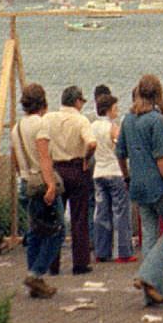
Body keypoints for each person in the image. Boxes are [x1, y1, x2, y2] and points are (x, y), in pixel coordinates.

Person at [116, 74, 163, 307]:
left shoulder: (127, 119)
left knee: (149, 235)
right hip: (158, 186)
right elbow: (161, 158)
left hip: (137, 184)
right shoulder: (156, 120)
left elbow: (120, 153)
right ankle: (147, 275)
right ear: (157, 94)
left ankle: (155, 293)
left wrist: (126, 176)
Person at [12, 83, 61, 299]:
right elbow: (44, 157)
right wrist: (50, 184)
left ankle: (35, 280)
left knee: (35, 231)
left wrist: (21, 175)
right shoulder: (41, 125)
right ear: (43, 102)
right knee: (57, 230)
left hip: (25, 181)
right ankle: (36, 273)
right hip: (41, 182)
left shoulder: (17, 127)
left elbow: (14, 156)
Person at [46, 85, 97, 275]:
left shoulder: (49, 118)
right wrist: (86, 157)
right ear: (77, 101)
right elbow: (91, 142)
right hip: (76, 167)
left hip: (57, 168)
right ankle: (80, 263)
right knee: (79, 217)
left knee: (55, 217)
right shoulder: (80, 120)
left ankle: (53, 262)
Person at [91, 92, 134, 263]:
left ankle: (102, 251)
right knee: (120, 211)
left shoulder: (92, 126)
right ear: (109, 110)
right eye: (115, 108)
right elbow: (120, 147)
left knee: (101, 212)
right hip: (114, 171)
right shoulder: (113, 127)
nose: (117, 111)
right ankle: (123, 251)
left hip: (99, 171)